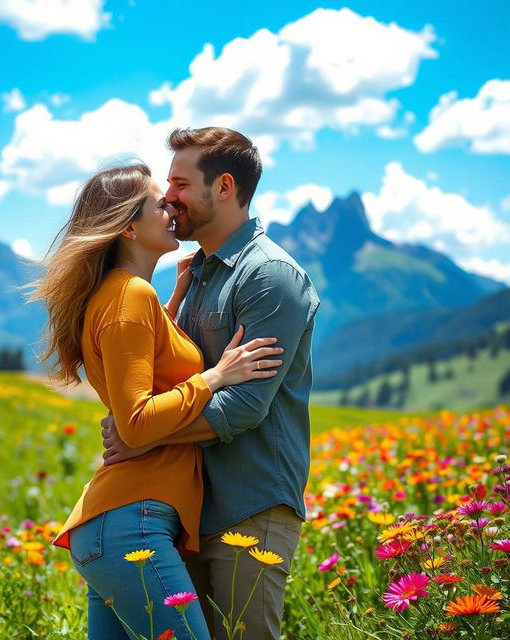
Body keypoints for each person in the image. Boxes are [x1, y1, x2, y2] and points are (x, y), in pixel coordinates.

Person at [30, 163, 284, 640]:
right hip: (132, 528)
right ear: (128, 225)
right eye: (158, 203)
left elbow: (145, 357)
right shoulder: (129, 296)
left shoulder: (125, 296)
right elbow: (137, 424)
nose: (171, 207)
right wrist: (214, 377)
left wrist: (175, 299)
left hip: (117, 528)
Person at [101, 128, 321, 640]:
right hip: (189, 507)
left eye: (179, 182)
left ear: (223, 187)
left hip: (251, 503)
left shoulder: (269, 276)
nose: (169, 195)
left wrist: (141, 436)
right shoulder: (195, 272)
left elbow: (243, 405)